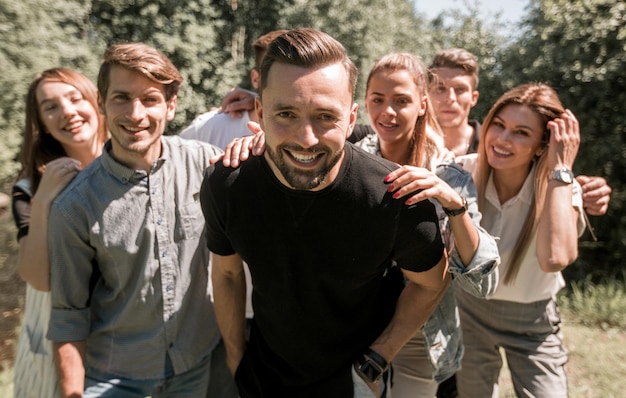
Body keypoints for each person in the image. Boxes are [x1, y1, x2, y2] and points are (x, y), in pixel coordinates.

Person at [200, 28, 449, 397]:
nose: (306, 138)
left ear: (350, 120)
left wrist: (380, 355)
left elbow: (432, 281)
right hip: (261, 380)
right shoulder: (227, 185)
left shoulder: (393, 196)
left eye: (324, 117)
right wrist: (236, 356)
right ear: (260, 111)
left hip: (354, 384)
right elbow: (227, 274)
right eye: (285, 113)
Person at [46, 43, 236, 398]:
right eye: (121, 98)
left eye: (150, 99)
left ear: (171, 104)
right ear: (102, 102)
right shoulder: (74, 206)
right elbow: (68, 315)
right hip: (115, 379)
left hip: (195, 367)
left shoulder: (207, 165)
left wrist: (257, 109)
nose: (135, 114)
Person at [355, 53, 499, 397]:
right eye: (378, 99)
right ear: (365, 101)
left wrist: (452, 204)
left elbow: (484, 284)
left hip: (420, 339)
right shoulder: (350, 160)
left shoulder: (449, 175)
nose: (387, 112)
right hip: (354, 326)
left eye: (401, 100)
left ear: (422, 104)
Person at [453, 83, 584, 397]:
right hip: (469, 312)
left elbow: (555, 258)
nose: (502, 139)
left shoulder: (561, 187)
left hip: (533, 321)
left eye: (521, 132)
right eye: (498, 125)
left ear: (542, 145)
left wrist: (561, 167)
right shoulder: (463, 172)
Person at [11, 67, 108, 398]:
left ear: (97, 101)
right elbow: (38, 278)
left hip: (125, 341)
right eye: (50, 106)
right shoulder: (29, 188)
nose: (66, 111)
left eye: (74, 98)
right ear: (41, 122)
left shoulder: (140, 168)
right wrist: (43, 202)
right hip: (53, 346)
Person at [428, 48, 611, 217]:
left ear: (474, 97)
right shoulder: (413, 146)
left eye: (460, 90)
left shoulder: (501, 144)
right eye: (440, 88)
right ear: (427, 93)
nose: (449, 98)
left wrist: (588, 194)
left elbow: (550, 176)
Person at [179, 30, 288, 148]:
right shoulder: (207, 128)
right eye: (275, 75)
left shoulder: (308, 135)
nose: (289, 83)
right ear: (256, 79)